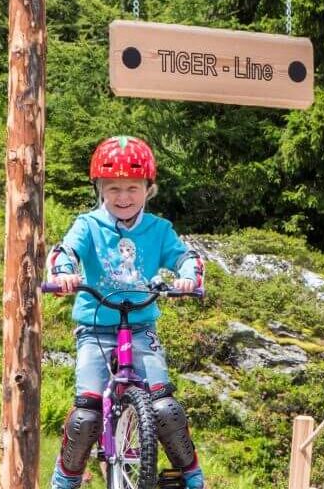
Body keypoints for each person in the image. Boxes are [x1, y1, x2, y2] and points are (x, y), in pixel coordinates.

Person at [46, 136, 208, 489]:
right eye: (113, 188)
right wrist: (63, 274)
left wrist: (185, 279)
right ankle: (63, 482)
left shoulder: (159, 230)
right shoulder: (88, 225)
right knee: (85, 417)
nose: (123, 197)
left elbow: (187, 259)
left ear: (149, 189)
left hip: (140, 328)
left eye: (133, 187)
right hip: (95, 329)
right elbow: (65, 252)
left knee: (165, 409)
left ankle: (194, 478)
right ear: (99, 188)